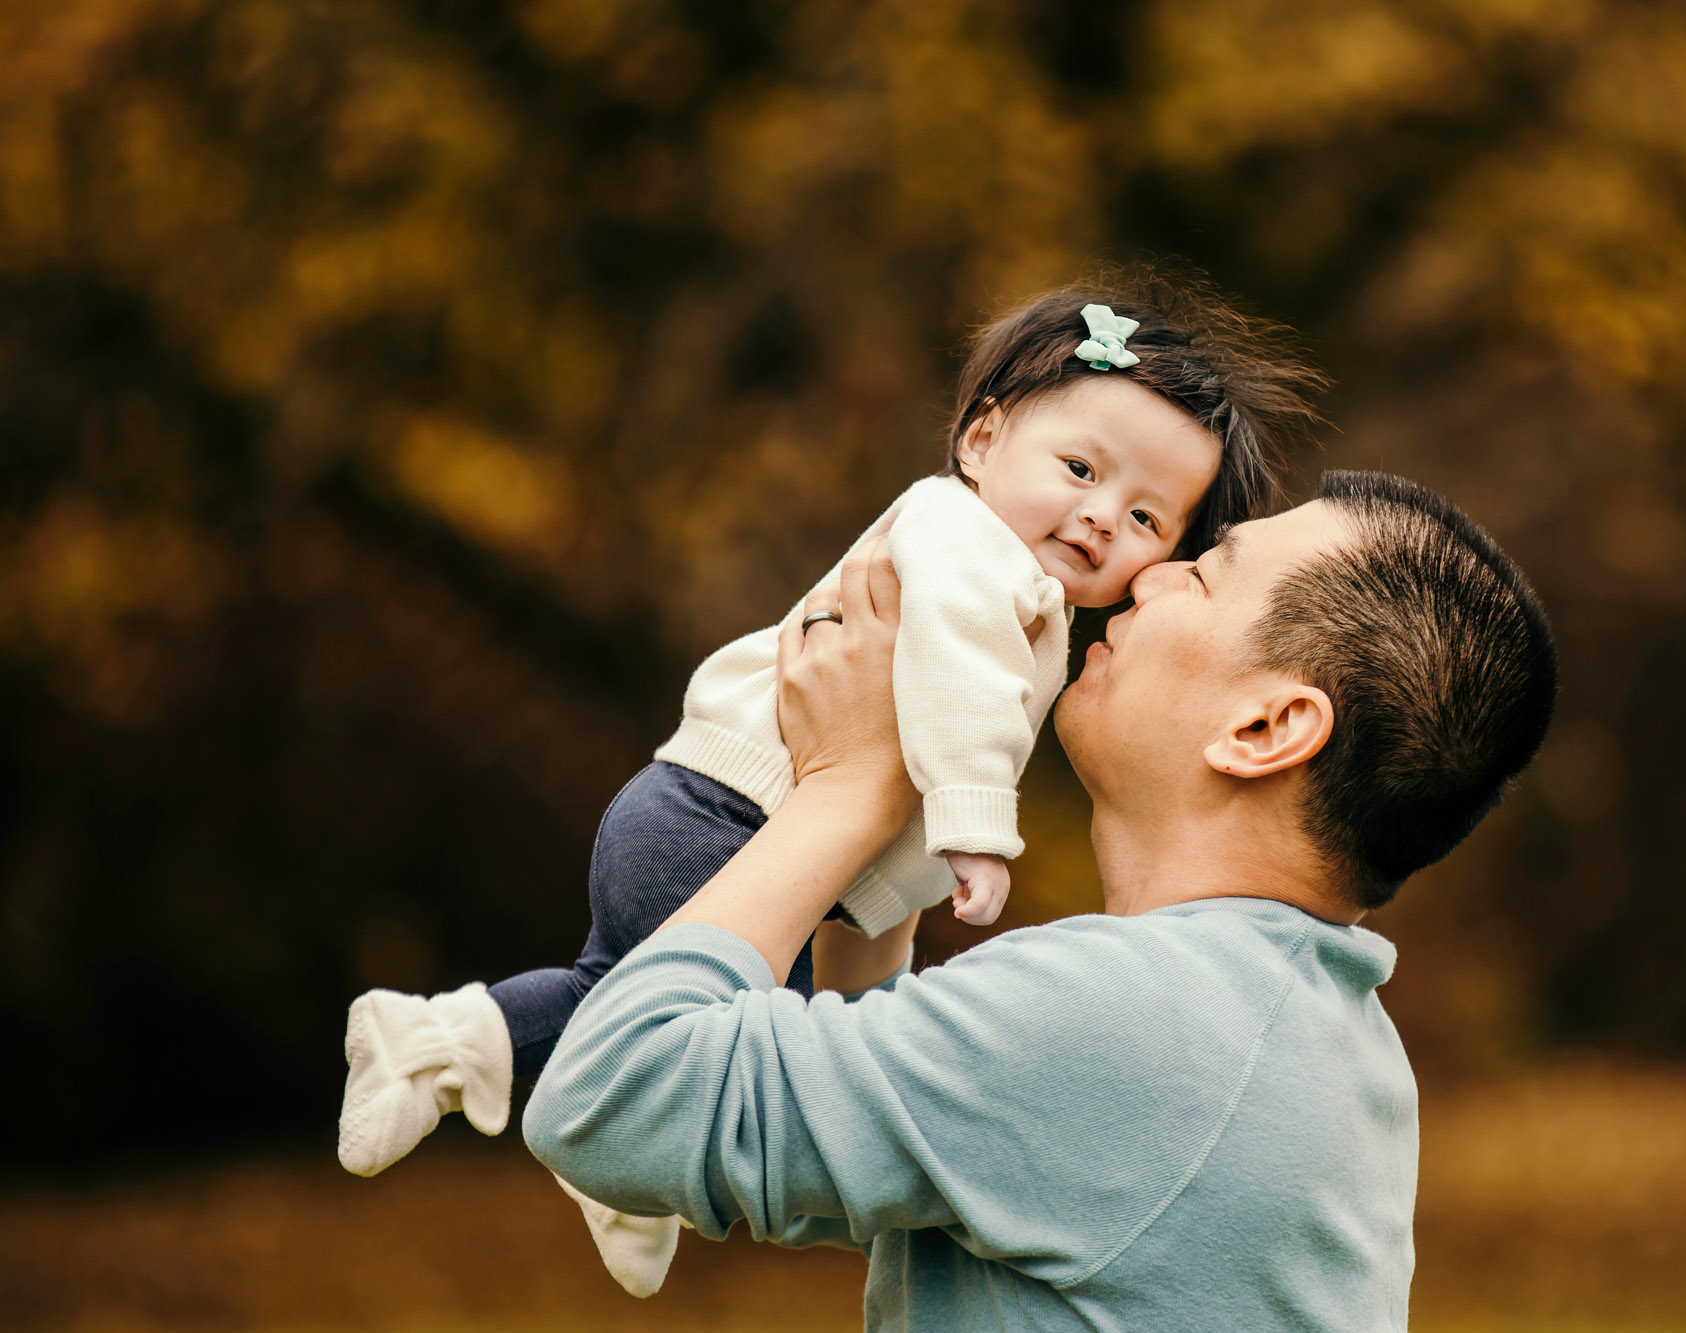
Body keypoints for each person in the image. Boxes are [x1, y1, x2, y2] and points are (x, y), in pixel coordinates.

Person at [334, 273, 1328, 1297]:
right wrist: (973, 828)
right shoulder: (961, 543)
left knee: (654, 1009)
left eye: (1146, 519)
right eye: (1076, 468)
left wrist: (897, 912)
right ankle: (556, 1116)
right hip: (727, 820)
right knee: (732, 1051)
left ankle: (490, 1077)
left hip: (716, 819)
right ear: (981, 439)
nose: (1096, 519)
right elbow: (949, 678)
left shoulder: (1021, 584)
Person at [523, 469, 1560, 1330]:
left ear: (1264, 728)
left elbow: (613, 1101)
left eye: (1203, 574)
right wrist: (901, 818)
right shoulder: (1296, 1031)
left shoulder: (1129, 1014)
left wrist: (847, 788)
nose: (1148, 578)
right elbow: (862, 1142)